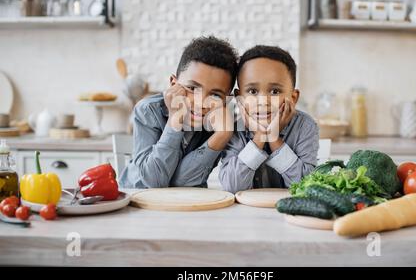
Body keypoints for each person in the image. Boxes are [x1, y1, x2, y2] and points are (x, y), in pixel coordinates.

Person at [119, 36, 238, 188]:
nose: (201, 102)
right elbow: (154, 181)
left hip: (183, 203)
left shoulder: (221, 123)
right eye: (192, 88)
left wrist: (222, 135)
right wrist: (175, 120)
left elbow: (183, 183)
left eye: (215, 95)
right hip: (136, 198)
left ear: (227, 100)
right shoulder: (147, 110)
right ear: (173, 83)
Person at [219, 45, 319, 193]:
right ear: (239, 98)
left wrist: (274, 139)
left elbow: (307, 185)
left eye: (275, 91)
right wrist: (260, 137)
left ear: (293, 97)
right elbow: (233, 186)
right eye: (252, 91)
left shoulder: (305, 126)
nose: (263, 101)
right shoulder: (233, 129)